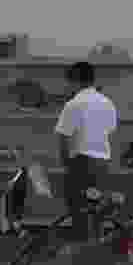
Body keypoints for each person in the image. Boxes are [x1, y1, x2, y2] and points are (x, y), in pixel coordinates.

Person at [53, 60, 117, 222]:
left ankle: (81, 238)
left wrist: (66, 163)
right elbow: (110, 132)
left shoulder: (73, 104)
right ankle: (96, 238)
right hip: (102, 164)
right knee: (98, 212)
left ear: (73, 81)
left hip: (81, 165)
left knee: (79, 211)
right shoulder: (107, 103)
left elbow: (63, 137)